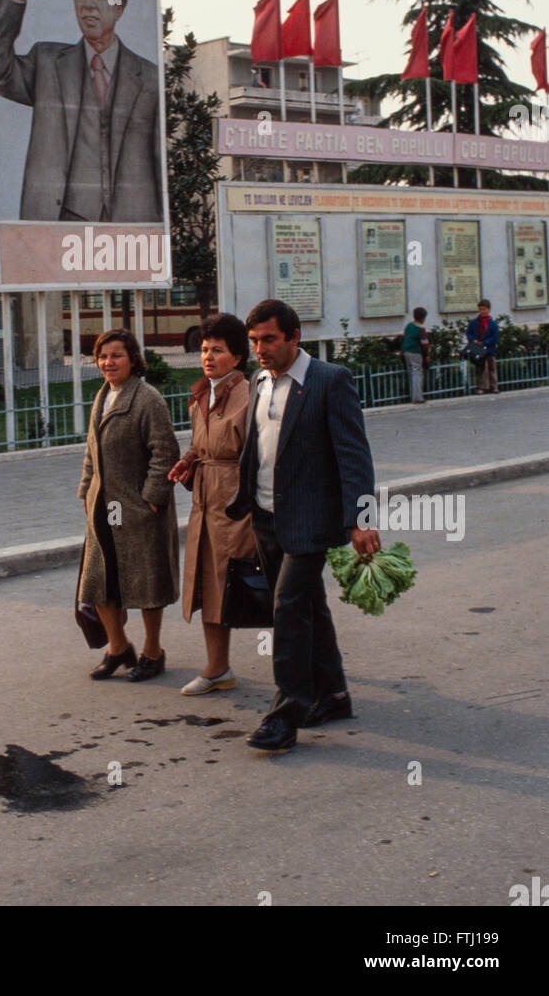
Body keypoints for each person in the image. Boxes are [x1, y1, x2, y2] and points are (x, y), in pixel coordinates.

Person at [226, 299, 378, 754]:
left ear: (295, 337)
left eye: (268, 340)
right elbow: (258, 445)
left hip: (312, 518)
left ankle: (286, 712)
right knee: (309, 605)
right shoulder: (258, 380)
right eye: (254, 341)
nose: (260, 350)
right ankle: (332, 694)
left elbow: (355, 457)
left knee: (288, 609)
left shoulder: (330, 381)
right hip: (266, 515)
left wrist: (361, 519)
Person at [0, 0, 163, 222]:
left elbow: (159, 160)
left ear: (118, 7)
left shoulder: (150, 78)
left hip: (129, 229)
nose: (87, 5)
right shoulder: (47, 63)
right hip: (61, 222)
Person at [77, 328, 180, 681]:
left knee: (147, 584)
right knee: (99, 581)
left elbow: (164, 452)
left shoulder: (147, 399)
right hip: (103, 507)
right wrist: (85, 491)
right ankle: (118, 648)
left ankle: (153, 652)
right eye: (103, 356)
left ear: (134, 360)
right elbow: (92, 451)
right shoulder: (102, 395)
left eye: (116, 355)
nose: (108, 362)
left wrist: (152, 499)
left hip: (138, 509)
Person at [167, 313, 257, 696]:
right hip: (204, 503)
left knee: (250, 585)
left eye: (217, 350)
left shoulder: (250, 396)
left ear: (237, 356)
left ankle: (307, 663)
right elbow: (200, 445)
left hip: (238, 505)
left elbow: (261, 455)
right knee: (207, 584)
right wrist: (187, 461)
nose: (208, 356)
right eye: (204, 349)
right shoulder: (202, 394)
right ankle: (217, 668)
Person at [467, 299, 499, 393]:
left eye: (484, 309)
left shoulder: (492, 324)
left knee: (491, 367)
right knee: (481, 367)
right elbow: (469, 333)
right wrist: (473, 340)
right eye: (480, 309)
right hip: (478, 347)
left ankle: (494, 386)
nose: (482, 311)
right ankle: (482, 387)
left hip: (489, 348)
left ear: (488, 310)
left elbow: (494, 336)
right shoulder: (474, 322)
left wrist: (485, 342)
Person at [401, 307, 429, 404]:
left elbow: (404, 337)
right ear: (422, 318)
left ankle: (412, 396)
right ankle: (418, 397)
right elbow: (425, 344)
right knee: (417, 374)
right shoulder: (421, 329)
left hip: (406, 351)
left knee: (411, 374)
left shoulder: (409, 326)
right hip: (415, 352)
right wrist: (427, 355)